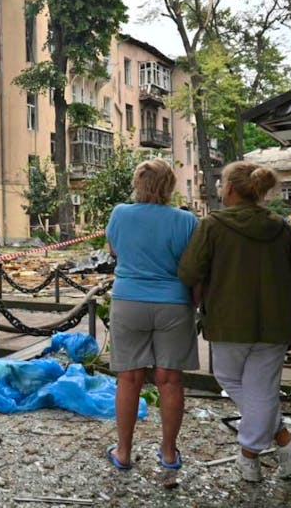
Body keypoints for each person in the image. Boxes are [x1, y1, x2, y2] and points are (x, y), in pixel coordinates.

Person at [178, 161, 291, 482]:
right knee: (262, 390)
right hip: (274, 324)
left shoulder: (212, 225)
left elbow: (188, 272)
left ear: (229, 188)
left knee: (231, 379)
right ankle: (281, 443)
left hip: (228, 322)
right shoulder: (279, 227)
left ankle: (252, 456)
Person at [105, 158, 199, 487]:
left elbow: (114, 251)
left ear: (137, 183)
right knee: (170, 380)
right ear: (170, 186)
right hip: (174, 303)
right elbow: (194, 266)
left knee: (129, 377)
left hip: (128, 300)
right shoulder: (187, 220)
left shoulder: (120, 214)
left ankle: (124, 452)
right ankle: (169, 452)